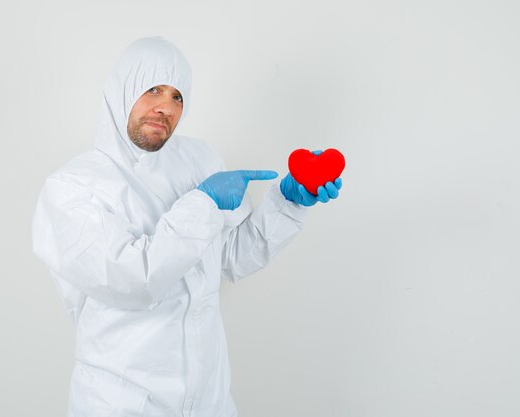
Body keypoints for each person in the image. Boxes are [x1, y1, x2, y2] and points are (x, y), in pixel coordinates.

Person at [32, 36, 341, 417]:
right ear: (121, 90)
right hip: (121, 402)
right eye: (153, 89)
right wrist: (204, 203)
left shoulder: (199, 159)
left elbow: (229, 259)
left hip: (208, 397)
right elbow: (131, 279)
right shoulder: (73, 187)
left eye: (178, 96)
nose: (165, 107)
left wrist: (287, 201)